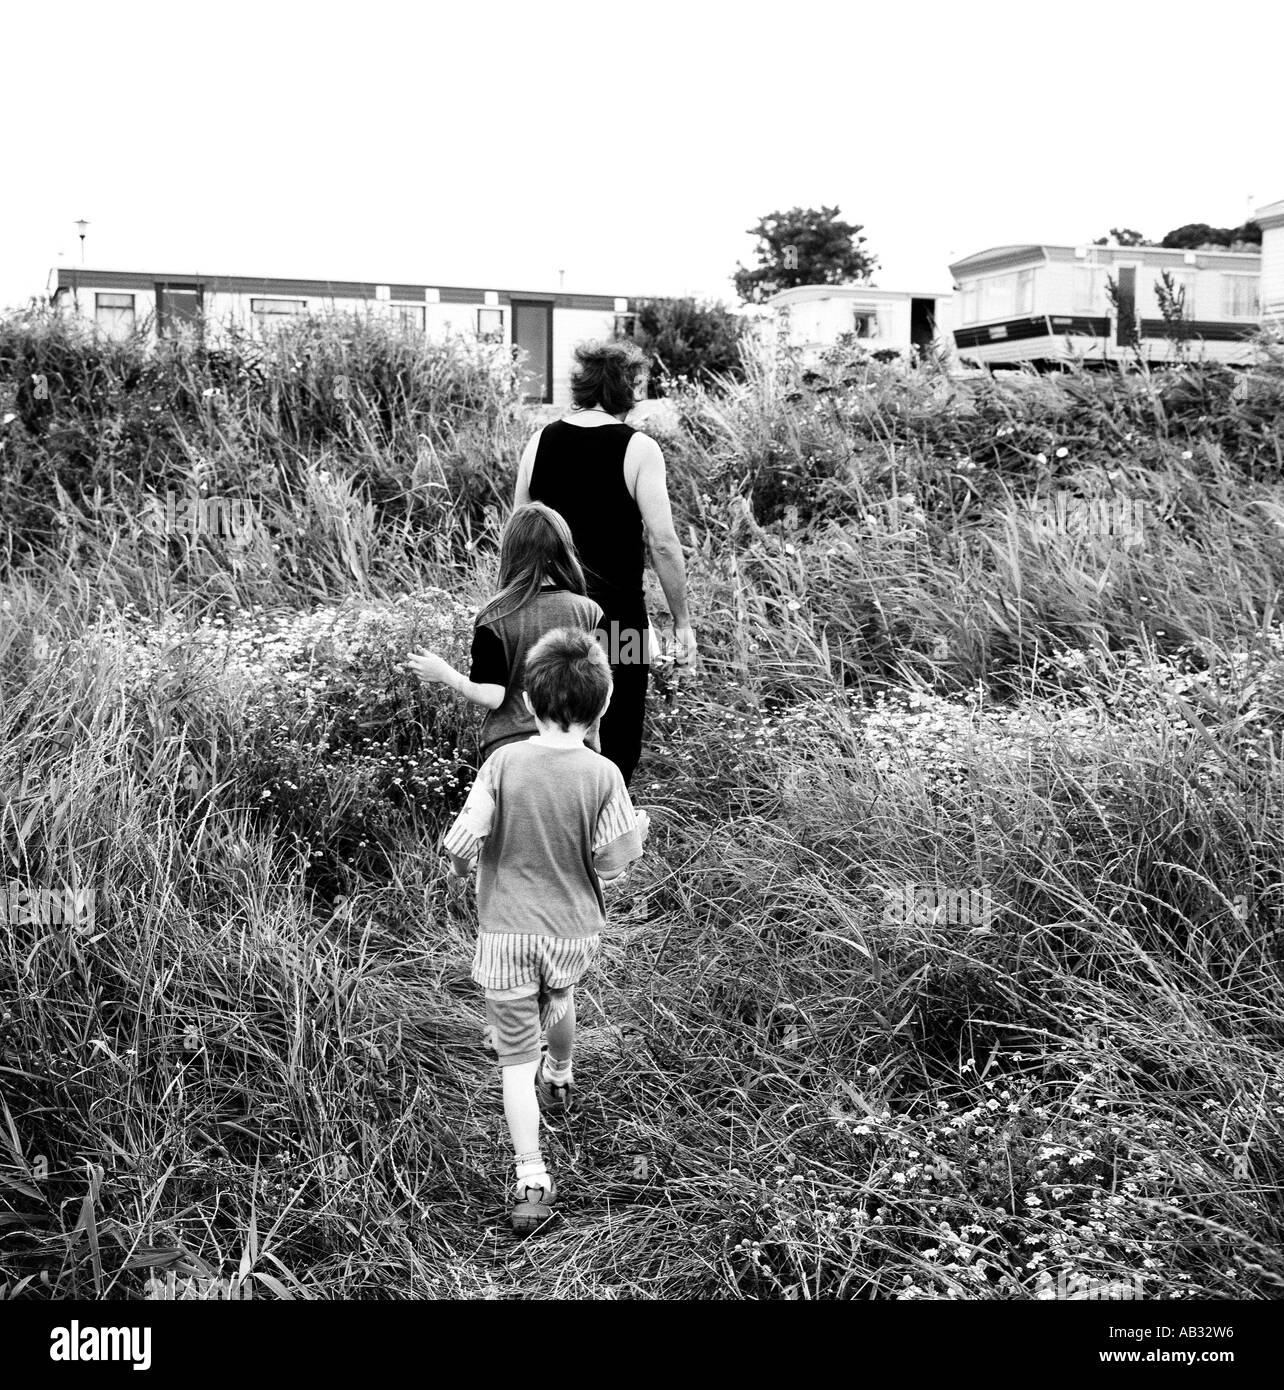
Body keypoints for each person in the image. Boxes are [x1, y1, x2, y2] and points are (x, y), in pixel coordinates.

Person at [441, 627, 649, 1233]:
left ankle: (531, 1173)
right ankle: (560, 1070)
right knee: (560, 996)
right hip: (572, 931)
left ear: (528, 704)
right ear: (604, 705)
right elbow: (614, 860)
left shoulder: (504, 762)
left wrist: (462, 869)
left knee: (513, 1063)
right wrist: (638, 828)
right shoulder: (605, 774)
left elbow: (461, 840)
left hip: (506, 931)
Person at [514, 339, 698, 787]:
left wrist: (514, 606)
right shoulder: (639, 449)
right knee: (620, 725)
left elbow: (518, 530)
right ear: (628, 388)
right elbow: (664, 544)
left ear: (582, 384)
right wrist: (682, 622)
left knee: (548, 720)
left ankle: (553, 817)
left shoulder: (540, 441)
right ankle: (608, 830)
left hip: (547, 611)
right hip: (620, 618)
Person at [406, 502, 603, 762]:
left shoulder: (495, 616)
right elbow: (604, 688)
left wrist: (444, 673)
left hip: (510, 751)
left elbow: (491, 696)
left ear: (511, 552)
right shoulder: (591, 612)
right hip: (577, 748)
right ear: (564, 550)